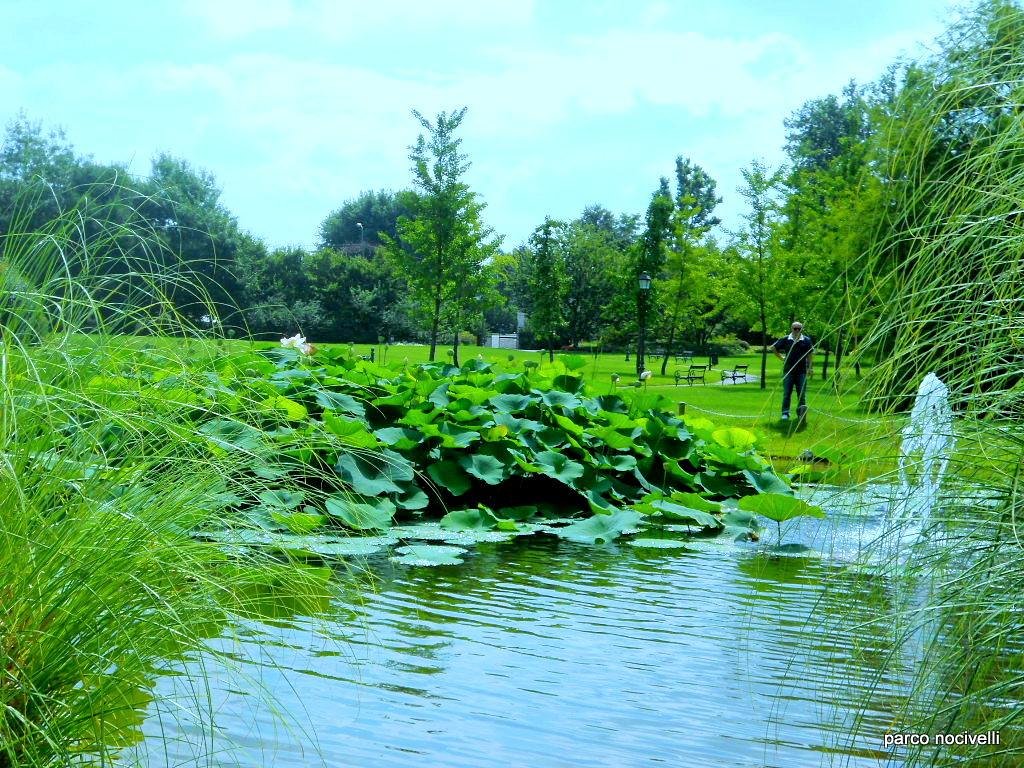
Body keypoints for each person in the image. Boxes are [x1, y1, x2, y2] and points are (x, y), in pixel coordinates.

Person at [771, 321, 814, 421]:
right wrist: (782, 358)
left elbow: (810, 354)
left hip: (802, 371)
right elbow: (773, 347)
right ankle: (785, 413)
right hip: (788, 371)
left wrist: (810, 367)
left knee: (801, 393)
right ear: (791, 329)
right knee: (787, 393)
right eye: (795, 328)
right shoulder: (786, 339)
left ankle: (801, 413)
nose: (797, 330)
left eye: (799, 329)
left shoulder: (806, 340)